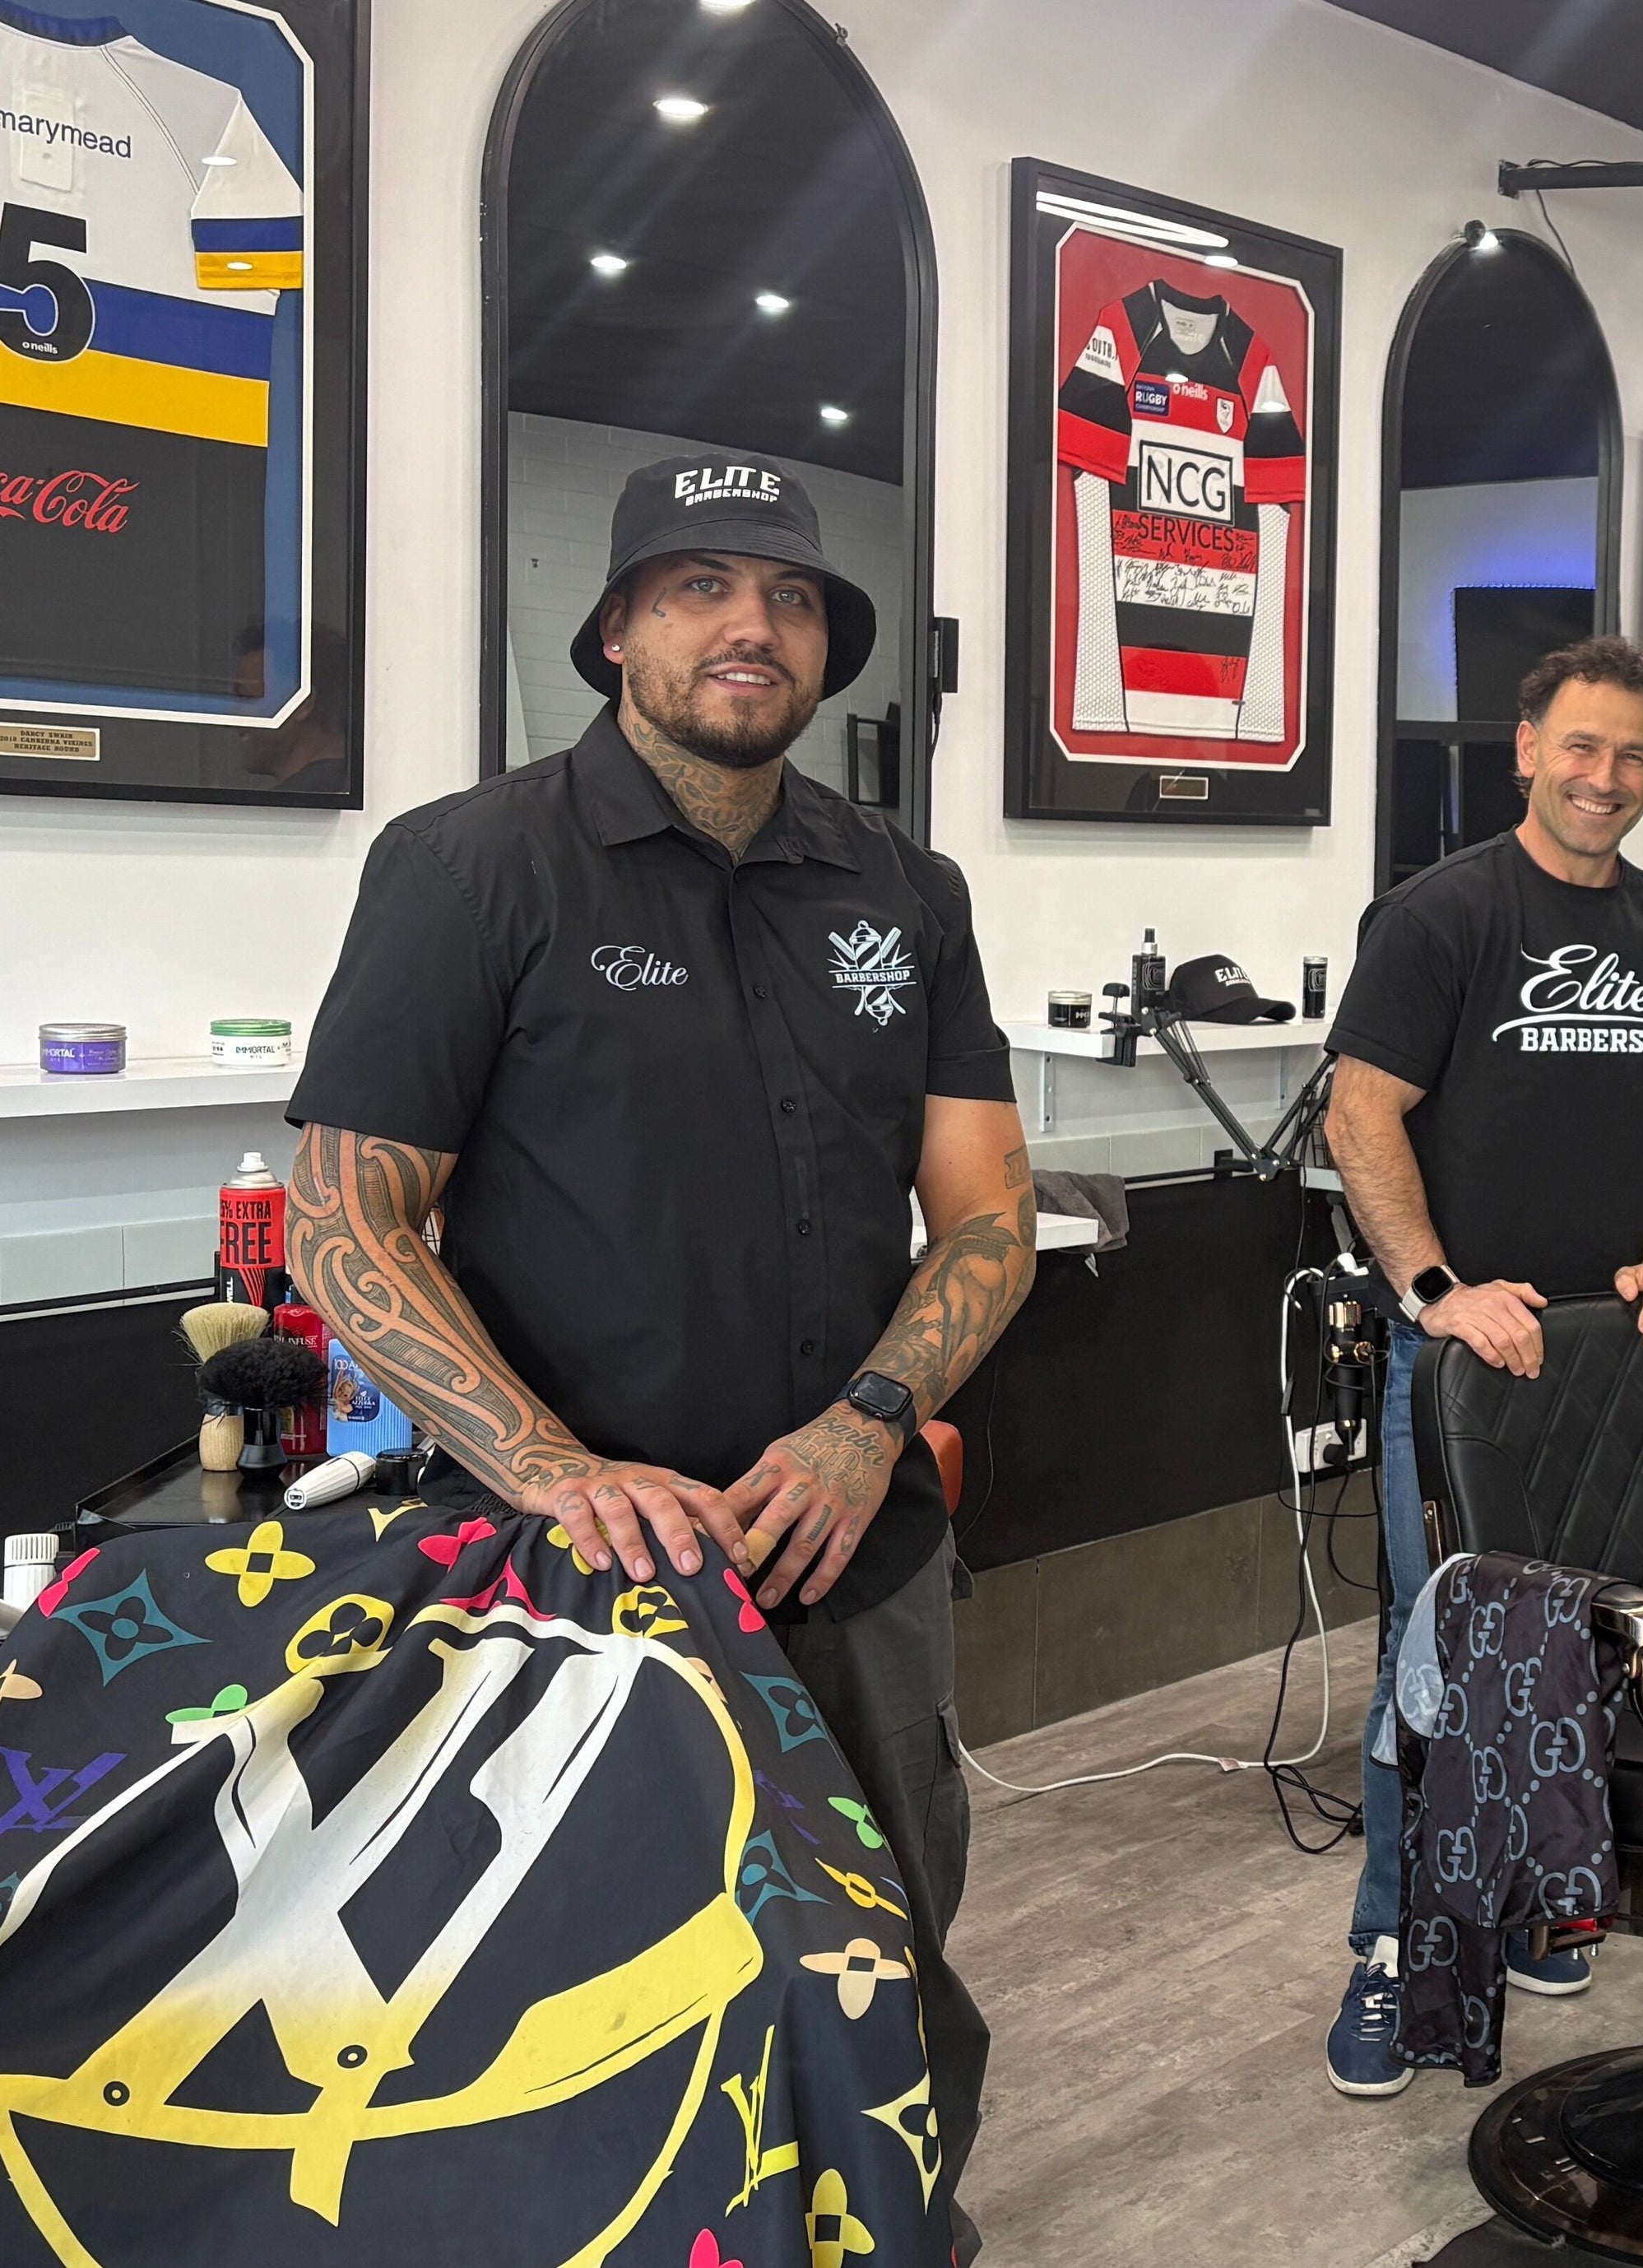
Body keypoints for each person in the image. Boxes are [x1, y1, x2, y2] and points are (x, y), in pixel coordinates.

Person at [285, 453, 1031, 2266]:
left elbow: (990, 1217)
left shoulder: (904, 891)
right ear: (617, 627)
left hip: (848, 1553)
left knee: (885, 1950)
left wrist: (871, 1423)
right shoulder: (470, 863)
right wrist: (558, 1470)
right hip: (575, 1575)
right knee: (581, 1992)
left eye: (785, 596)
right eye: (697, 586)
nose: (747, 626)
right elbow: (341, 1218)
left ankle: (894, 2227)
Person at [1317, 634, 1643, 2095]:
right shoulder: (1439, 917)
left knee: (1600, 1647)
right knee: (1428, 1670)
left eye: (1631, 754)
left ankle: (1547, 1899)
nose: (1604, 777)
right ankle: (1391, 1953)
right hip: (1467, 1366)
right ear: (1526, 749)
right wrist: (1431, 1289)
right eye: (1580, 746)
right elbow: (1360, 1114)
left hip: (1613, 1358)